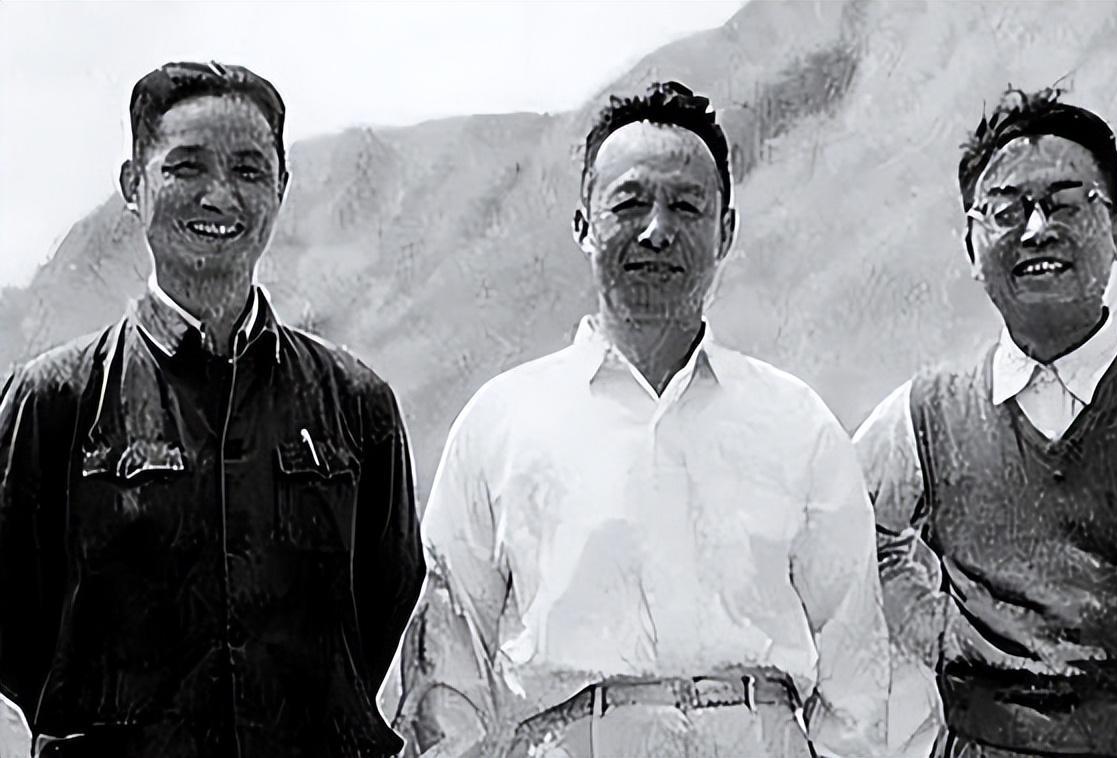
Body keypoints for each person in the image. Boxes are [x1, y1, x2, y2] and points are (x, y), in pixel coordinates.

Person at [401, 81, 891, 758]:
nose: (657, 231)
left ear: (725, 231)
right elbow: (447, 670)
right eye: (629, 203)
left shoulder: (796, 423)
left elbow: (854, 665)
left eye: (686, 206)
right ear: (583, 226)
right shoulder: (500, 424)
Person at [0, 61, 423, 758]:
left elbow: (385, 600)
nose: (220, 195)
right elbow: (13, 626)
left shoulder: (356, 404)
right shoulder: (54, 402)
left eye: (249, 170)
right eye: (187, 167)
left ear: (281, 189)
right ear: (134, 186)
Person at [854, 86, 1117, 757]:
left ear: (1116, 229)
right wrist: (939, 633)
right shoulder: (925, 416)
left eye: (1066, 203)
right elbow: (848, 537)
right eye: (1007, 210)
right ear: (972, 247)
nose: (1037, 230)